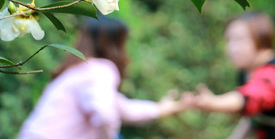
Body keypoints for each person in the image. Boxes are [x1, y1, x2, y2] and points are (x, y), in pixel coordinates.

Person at [18, 17, 189, 139]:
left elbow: (122, 107)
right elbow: (106, 114)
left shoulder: (79, 71)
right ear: (114, 43)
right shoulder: (100, 70)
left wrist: (162, 108)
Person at [191, 12, 275, 139]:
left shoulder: (274, 74)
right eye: (229, 40)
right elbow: (254, 115)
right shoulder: (246, 71)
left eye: (239, 40)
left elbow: (251, 97)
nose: (232, 48)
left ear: (261, 39)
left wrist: (214, 102)